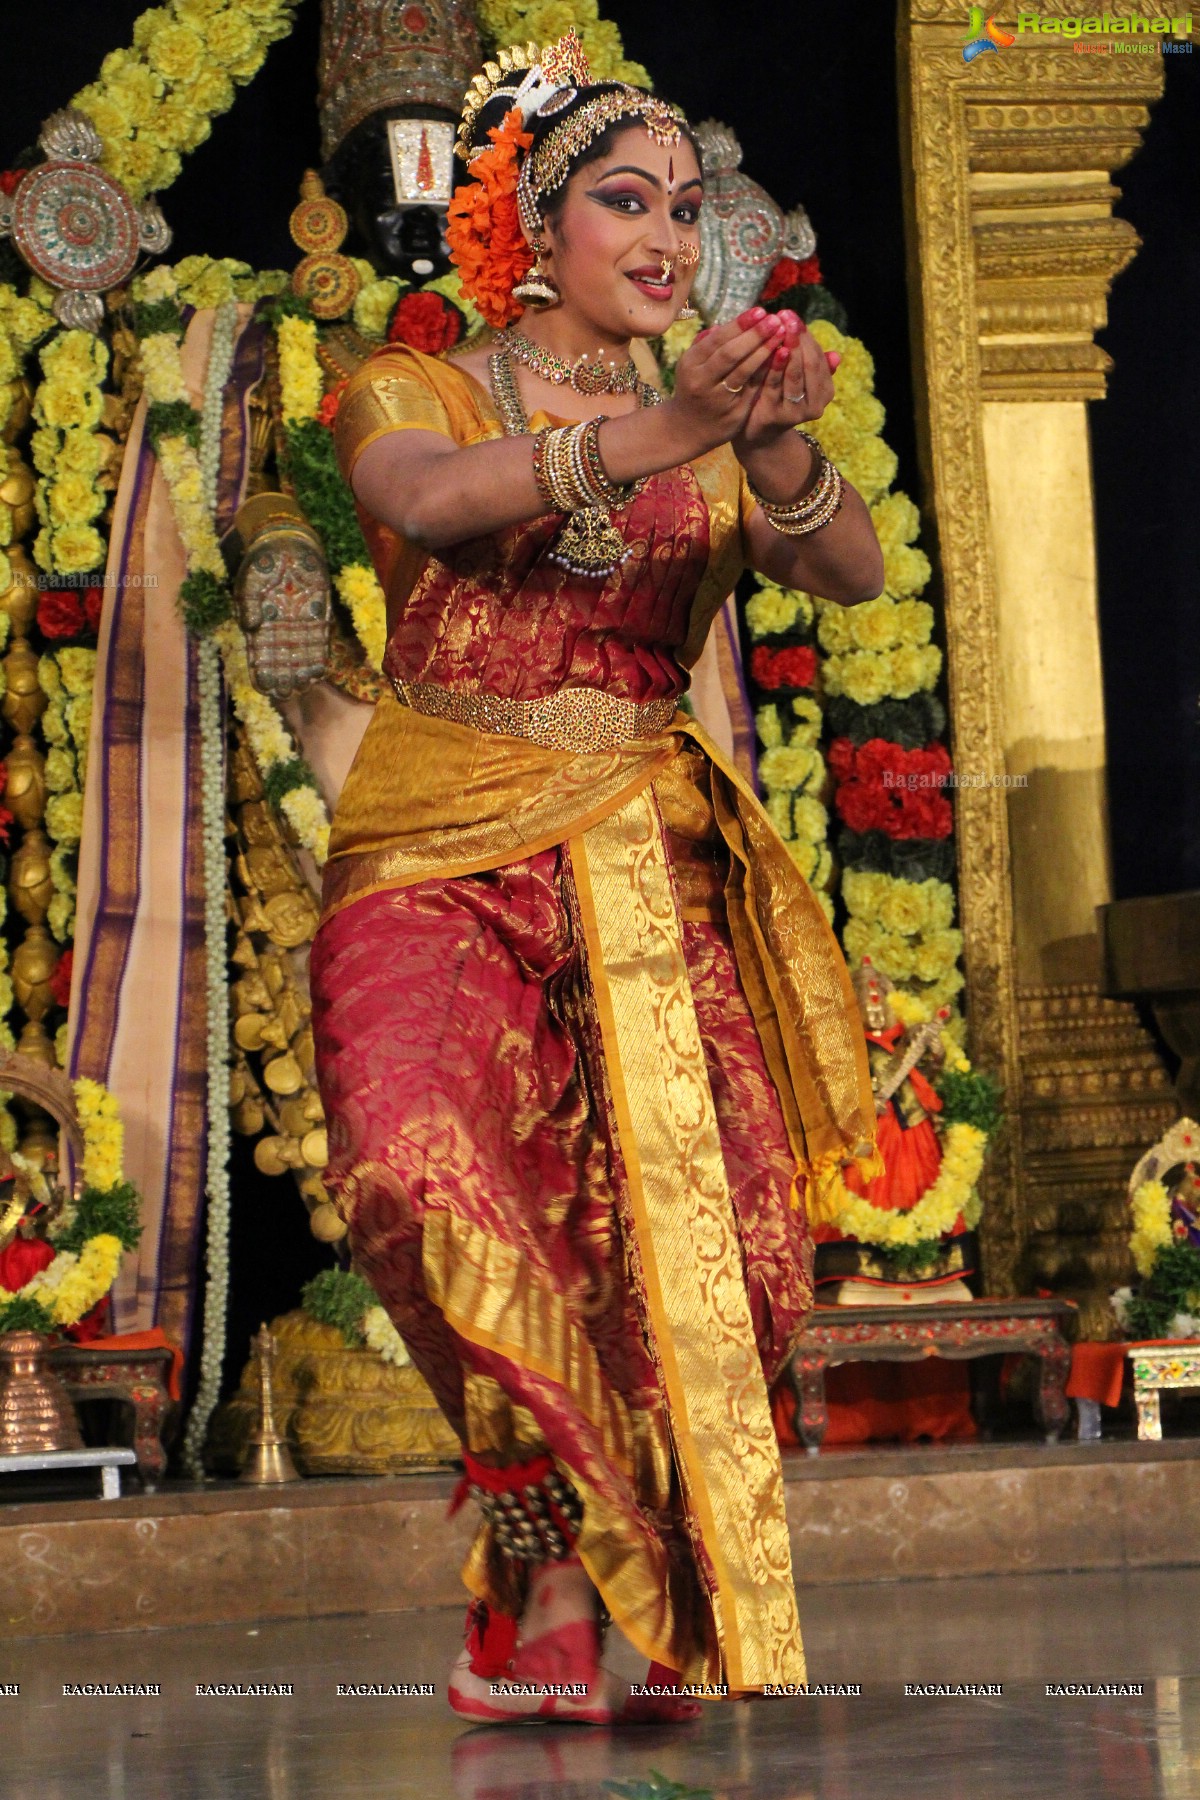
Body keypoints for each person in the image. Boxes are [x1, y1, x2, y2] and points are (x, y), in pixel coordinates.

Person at [310, 29, 883, 1725]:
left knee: (705, 1256)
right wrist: (671, 434)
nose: (667, 239)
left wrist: (770, 445)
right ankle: (535, 1525)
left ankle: (576, 1584)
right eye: (625, 203)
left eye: (689, 211)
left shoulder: (701, 416)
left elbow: (843, 567)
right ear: (528, 234)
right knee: (419, 1179)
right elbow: (428, 499)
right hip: (433, 848)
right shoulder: (422, 388)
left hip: (645, 859)